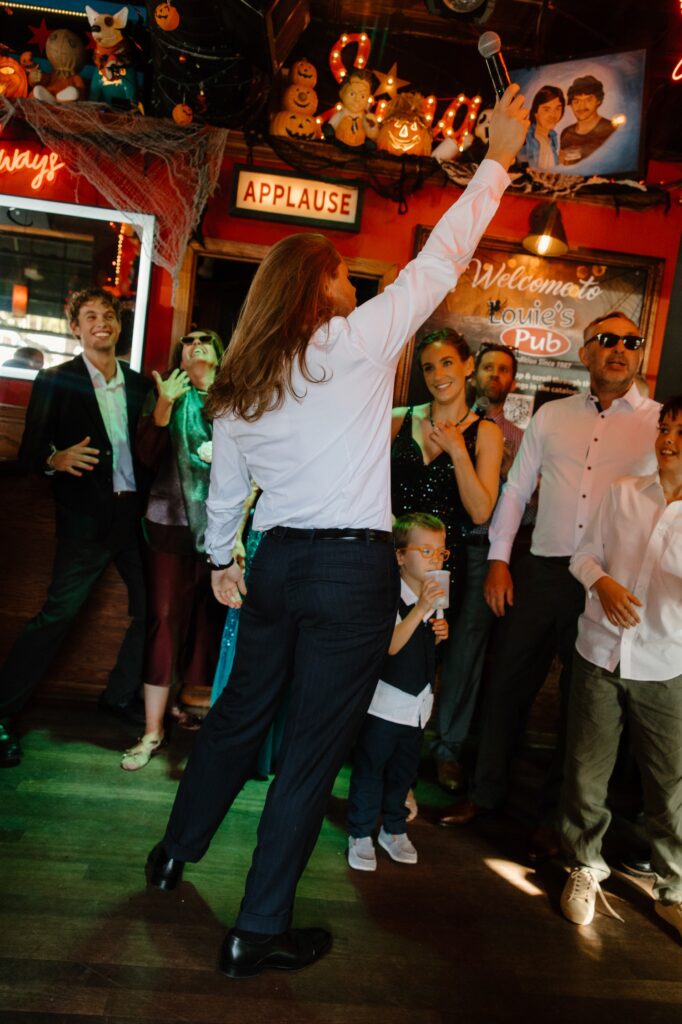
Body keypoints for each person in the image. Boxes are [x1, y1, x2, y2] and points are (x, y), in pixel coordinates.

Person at [144, 85, 530, 980]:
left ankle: (172, 855)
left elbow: (224, 496)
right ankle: (257, 930)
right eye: (337, 274)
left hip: (276, 564)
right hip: (350, 575)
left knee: (238, 724)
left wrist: (222, 562)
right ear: (316, 286)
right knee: (313, 749)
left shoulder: (237, 385)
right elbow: (439, 263)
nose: (348, 281)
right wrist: (499, 161)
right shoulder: (351, 344)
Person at [439, 311, 661, 861]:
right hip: (539, 570)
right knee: (506, 685)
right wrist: (498, 560)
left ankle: (554, 819)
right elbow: (515, 491)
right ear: (585, 353)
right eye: (606, 341)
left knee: (583, 706)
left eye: (631, 343)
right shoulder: (552, 416)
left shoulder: (659, 424)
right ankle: (484, 794)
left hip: (609, 582)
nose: (619, 350)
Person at [0, 287, 150, 768]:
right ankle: (1, 714)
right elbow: (29, 456)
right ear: (75, 328)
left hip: (134, 520)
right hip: (84, 522)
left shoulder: (142, 384)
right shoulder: (55, 380)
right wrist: (54, 459)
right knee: (56, 616)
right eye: (90, 316)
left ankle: (118, 696)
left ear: (118, 325)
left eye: (108, 315)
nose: (101, 322)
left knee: (155, 612)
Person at [559, 396, 682, 939]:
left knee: (671, 787)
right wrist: (601, 582)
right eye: (666, 427)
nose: (668, 439)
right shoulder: (624, 494)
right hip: (599, 651)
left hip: (666, 664)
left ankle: (674, 888)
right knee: (586, 774)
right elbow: (581, 555)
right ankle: (585, 865)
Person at [120, 330, 227, 771]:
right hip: (169, 525)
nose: (196, 343)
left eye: (206, 339)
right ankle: (152, 729)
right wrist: (164, 404)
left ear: (220, 355)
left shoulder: (236, 400)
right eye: (188, 339)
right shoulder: (168, 392)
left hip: (223, 529)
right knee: (164, 620)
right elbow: (145, 454)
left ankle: (192, 706)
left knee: (209, 622)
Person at [431, 341, 525, 793]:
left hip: (479, 549)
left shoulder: (517, 437)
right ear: (476, 371)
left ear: (512, 379)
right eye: (488, 366)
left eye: (503, 369)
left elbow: (517, 506)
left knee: (464, 657)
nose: (494, 375)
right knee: (414, 643)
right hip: (427, 547)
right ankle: (397, 737)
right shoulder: (426, 419)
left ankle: (447, 750)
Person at [347, 513, 449, 871]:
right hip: (385, 703)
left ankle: (393, 826)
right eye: (426, 550)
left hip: (417, 704)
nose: (436, 558)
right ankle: (359, 831)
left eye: (441, 552)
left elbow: (425, 650)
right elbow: (389, 646)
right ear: (400, 556)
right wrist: (419, 610)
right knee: (371, 768)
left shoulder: (434, 598)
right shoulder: (388, 597)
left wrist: (437, 633)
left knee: (404, 772)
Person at [391, 329, 503, 588]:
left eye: (447, 363)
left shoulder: (487, 433)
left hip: (443, 567)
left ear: (468, 365)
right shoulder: (397, 419)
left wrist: (458, 450)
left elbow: (479, 513)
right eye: (429, 368)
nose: (438, 375)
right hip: (390, 558)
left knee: (431, 630)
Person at [559, 75, 617, 166]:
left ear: (598, 101)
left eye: (588, 100)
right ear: (571, 104)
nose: (581, 106)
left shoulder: (611, 129)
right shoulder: (566, 134)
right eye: (576, 101)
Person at [519, 84, 565, 170]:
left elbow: (549, 169)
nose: (553, 115)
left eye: (558, 108)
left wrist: (560, 162)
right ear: (535, 112)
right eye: (546, 109)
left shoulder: (552, 137)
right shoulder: (526, 137)